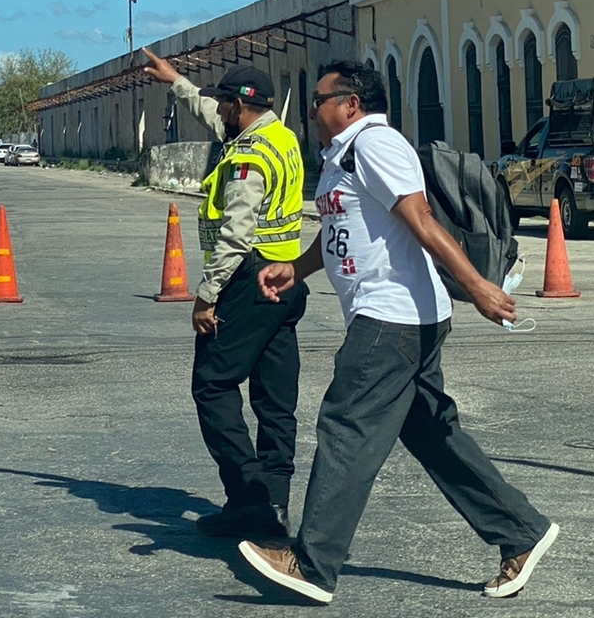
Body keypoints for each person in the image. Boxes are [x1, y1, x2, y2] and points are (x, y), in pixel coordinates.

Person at [239, 61, 558, 603]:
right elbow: (345, 230)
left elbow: (421, 220)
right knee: (433, 434)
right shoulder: (343, 155)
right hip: (403, 318)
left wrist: (479, 285)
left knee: (346, 425)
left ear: (350, 104)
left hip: (392, 319)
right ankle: (521, 533)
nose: (312, 110)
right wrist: (298, 267)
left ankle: (312, 563)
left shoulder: (375, 145)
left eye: (319, 100)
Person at [142, 50, 307, 540]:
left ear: (240, 106)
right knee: (276, 399)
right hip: (288, 281)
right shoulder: (279, 138)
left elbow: (237, 233)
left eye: (225, 103)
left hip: (246, 282)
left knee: (212, 385)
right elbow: (210, 113)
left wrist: (206, 295)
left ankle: (248, 498)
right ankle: (275, 502)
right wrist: (177, 82)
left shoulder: (248, 158)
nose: (220, 111)